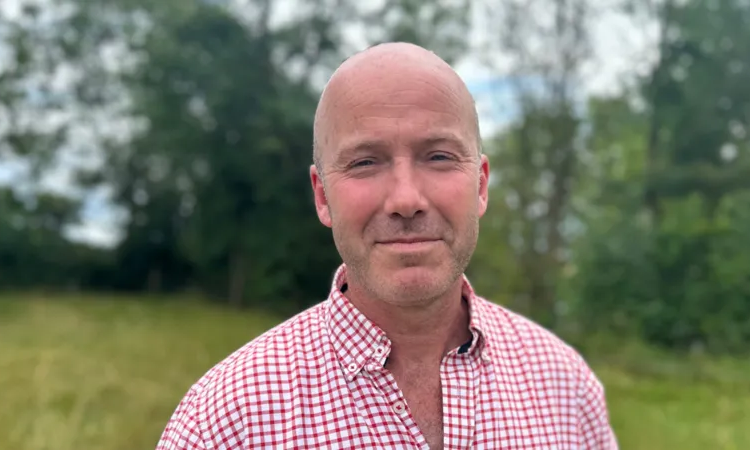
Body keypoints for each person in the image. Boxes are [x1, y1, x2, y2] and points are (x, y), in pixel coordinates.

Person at [156, 42, 618, 450]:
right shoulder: (223, 422)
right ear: (322, 196)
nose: (405, 201)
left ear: (480, 185)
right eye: (365, 162)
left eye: (438, 156)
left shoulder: (566, 386)